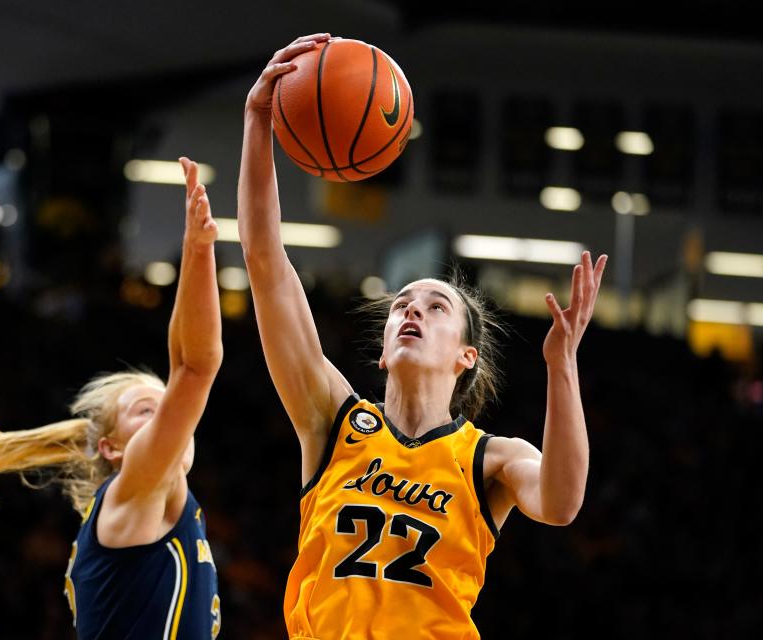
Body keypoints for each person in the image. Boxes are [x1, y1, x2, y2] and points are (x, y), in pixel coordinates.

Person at [238, 34, 608, 639]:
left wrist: (562, 366)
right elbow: (264, 261)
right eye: (401, 305)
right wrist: (259, 121)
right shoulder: (331, 422)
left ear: (467, 355)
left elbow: (563, 504)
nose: (412, 311)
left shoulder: (491, 458)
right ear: (383, 352)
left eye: (437, 307)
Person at [0, 157, 223, 639]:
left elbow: (180, 361)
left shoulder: (149, 500)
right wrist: (197, 249)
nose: (167, 415)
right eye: (146, 411)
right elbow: (193, 368)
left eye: (163, 406)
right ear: (112, 448)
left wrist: (194, 251)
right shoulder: (134, 489)